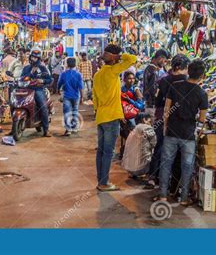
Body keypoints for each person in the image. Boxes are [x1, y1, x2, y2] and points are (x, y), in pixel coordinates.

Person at [158, 60, 208, 206]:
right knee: (187, 166)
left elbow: (166, 110)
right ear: (202, 76)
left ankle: (163, 195)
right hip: (188, 135)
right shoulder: (202, 93)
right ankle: (184, 198)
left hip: (172, 131)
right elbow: (202, 119)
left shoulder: (175, 86)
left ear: (188, 71)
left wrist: (166, 126)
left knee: (166, 163)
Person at [93, 44, 137, 191]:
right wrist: (120, 56)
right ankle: (104, 183)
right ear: (114, 58)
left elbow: (95, 99)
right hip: (111, 118)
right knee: (108, 152)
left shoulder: (98, 74)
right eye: (117, 57)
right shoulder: (113, 71)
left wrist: (98, 111)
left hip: (101, 116)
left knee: (101, 151)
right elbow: (133, 59)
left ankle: (101, 181)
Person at [146, 54, 190, 189]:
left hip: (161, 117)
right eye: (186, 67)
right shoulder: (187, 82)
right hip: (179, 122)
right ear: (180, 67)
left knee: (159, 147)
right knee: (175, 153)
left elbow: (157, 100)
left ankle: (154, 177)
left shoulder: (163, 80)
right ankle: (172, 184)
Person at [21, 49, 53, 137]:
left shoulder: (43, 68)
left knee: (43, 106)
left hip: (38, 90)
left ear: (38, 58)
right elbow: (21, 78)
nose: (33, 59)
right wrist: (29, 74)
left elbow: (49, 79)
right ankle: (14, 128)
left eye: (36, 57)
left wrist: (42, 80)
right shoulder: (26, 68)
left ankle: (46, 130)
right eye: (32, 57)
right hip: (26, 89)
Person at [121, 113, 156, 178]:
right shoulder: (146, 128)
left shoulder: (133, 131)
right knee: (158, 153)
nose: (151, 121)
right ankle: (151, 178)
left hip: (129, 168)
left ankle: (133, 174)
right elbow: (154, 143)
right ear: (144, 120)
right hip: (141, 169)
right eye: (149, 120)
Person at [58, 57, 84, 137]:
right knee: (75, 111)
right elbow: (81, 87)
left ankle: (68, 129)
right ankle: (74, 127)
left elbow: (59, 83)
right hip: (76, 96)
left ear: (67, 64)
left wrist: (58, 90)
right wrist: (82, 97)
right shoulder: (78, 74)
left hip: (67, 96)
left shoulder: (64, 73)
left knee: (67, 112)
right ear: (75, 64)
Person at [143, 49, 169, 114]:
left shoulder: (153, 69)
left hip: (152, 104)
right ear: (160, 58)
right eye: (164, 59)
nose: (164, 62)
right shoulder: (152, 69)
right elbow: (152, 89)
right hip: (152, 105)